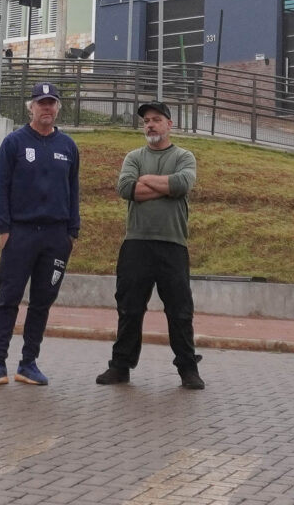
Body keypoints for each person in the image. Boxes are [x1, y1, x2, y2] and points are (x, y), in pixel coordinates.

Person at [0, 81, 79, 387]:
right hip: (21, 234)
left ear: (58, 107)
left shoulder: (68, 147)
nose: (46, 108)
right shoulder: (14, 143)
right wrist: (4, 229)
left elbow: (73, 190)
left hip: (56, 237)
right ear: (30, 107)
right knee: (8, 298)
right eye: (41, 102)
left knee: (42, 301)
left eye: (52, 103)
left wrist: (71, 232)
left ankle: (28, 363)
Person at [98, 102, 202, 389]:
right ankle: (120, 366)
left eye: (156, 120)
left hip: (173, 244)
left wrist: (146, 181)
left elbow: (182, 184)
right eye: (146, 121)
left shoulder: (184, 156)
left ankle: (188, 369)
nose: (150, 125)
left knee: (180, 310)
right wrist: (163, 187)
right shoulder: (133, 157)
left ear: (170, 124)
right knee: (129, 308)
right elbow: (125, 189)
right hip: (136, 244)